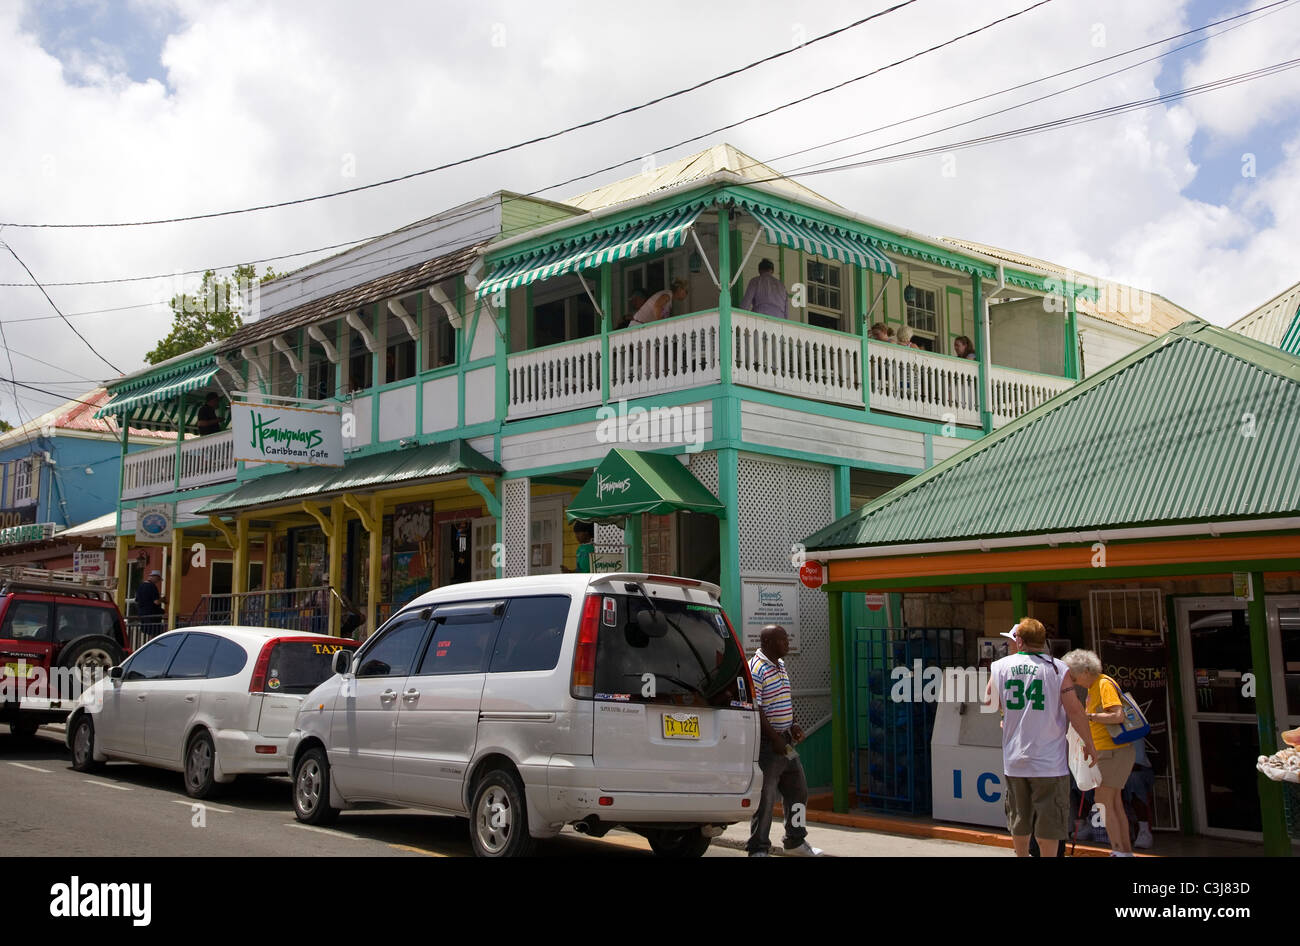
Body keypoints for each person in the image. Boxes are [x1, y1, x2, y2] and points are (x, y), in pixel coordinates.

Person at [985, 618, 1096, 858]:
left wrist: (1009, 712)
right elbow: (1074, 710)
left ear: (1020, 640)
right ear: (1043, 641)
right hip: (1049, 761)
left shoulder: (1001, 666)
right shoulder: (1057, 668)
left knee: (1019, 816)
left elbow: (989, 701)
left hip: (1014, 759)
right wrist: (1089, 743)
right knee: (1049, 820)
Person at [746, 625, 823, 857]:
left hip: (786, 742)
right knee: (766, 798)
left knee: (798, 791)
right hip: (769, 746)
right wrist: (774, 738)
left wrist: (793, 724)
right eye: (782, 640)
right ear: (768, 643)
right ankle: (758, 847)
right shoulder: (756, 668)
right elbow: (756, 708)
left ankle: (795, 841)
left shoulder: (779, 665)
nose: (787, 643)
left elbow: (783, 700)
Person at [1062, 649, 1137, 856]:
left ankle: (1119, 850)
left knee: (1104, 802)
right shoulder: (1094, 688)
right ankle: (1123, 851)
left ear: (1086, 670)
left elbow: (1117, 716)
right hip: (1110, 751)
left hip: (1112, 752)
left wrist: (1090, 717)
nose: (1074, 681)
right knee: (1113, 802)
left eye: (1075, 676)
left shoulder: (1103, 684)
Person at [1122, 738, 1155, 850]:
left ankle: (1144, 831)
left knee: (1133, 779)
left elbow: (1136, 763)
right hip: (1120, 771)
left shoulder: (1133, 729)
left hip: (1140, 771)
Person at [134, 569, 165, 634]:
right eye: (158, 579)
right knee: (154, 633)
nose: (158, 582)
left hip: (142, 614)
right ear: (155, 577)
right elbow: (156, 602)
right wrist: (162, 599)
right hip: (152, 615)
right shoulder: (152, 586)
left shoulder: (140, 586)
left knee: (148, 632)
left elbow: (137, 600)